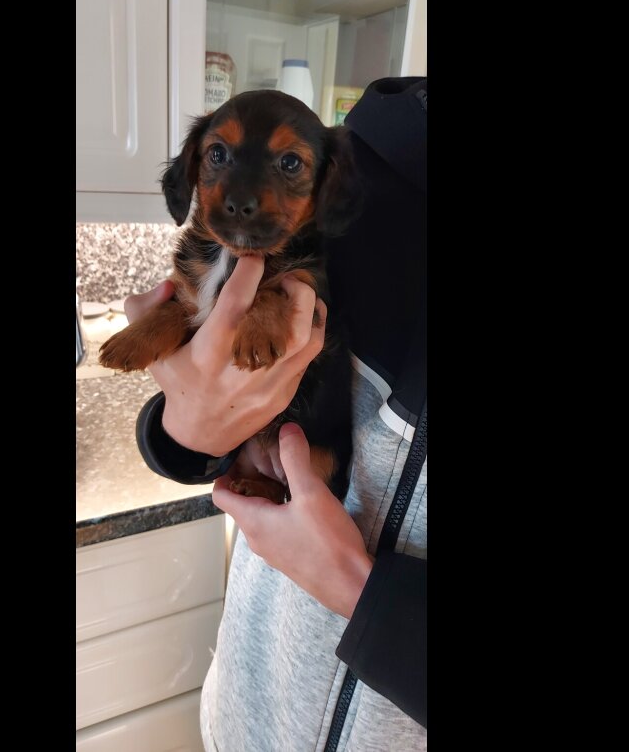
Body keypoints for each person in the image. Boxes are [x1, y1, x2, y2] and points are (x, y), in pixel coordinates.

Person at [125, 77, 427, 751]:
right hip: (243, 707)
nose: (245, 192)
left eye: (289, 165)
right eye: (220, 157)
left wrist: (362, 591)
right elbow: (231, 369)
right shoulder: (376, 138)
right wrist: (182, 433)